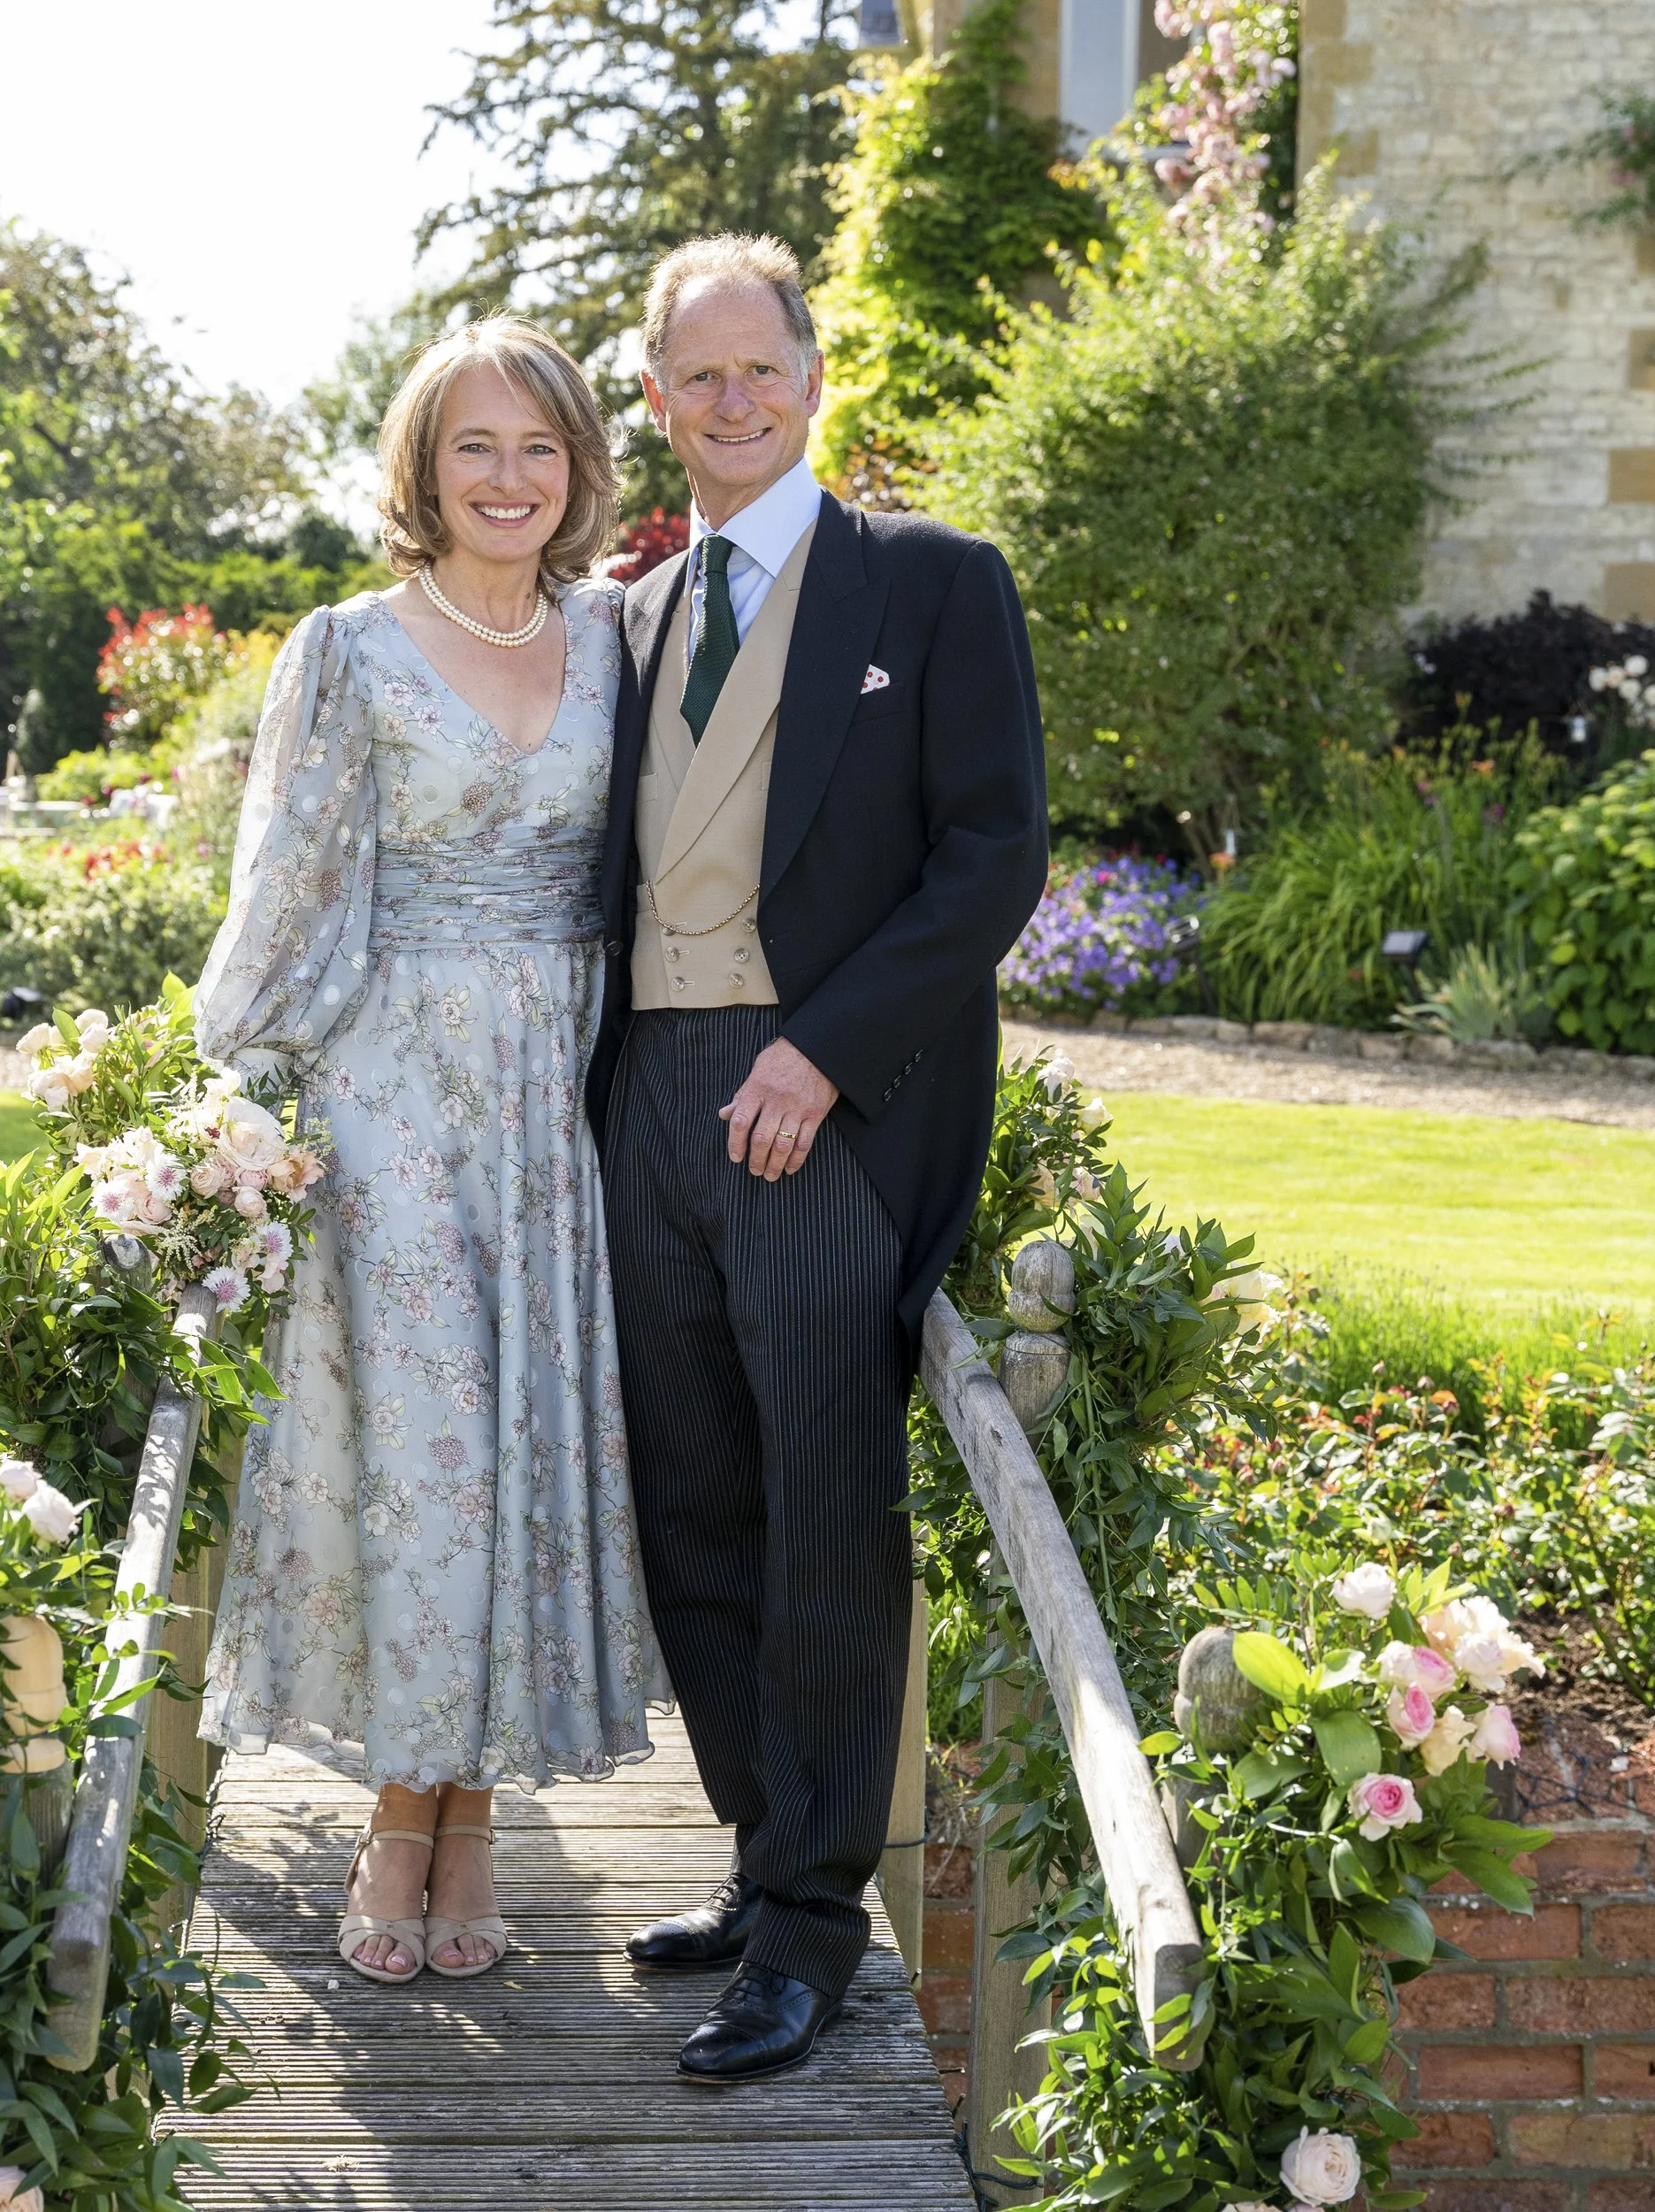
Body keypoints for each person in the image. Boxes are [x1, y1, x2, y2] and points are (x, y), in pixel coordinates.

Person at [588, 235, 1049, 2084]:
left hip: (817, 1100)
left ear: (808, 372)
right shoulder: (628, 611)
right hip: (645, 1101)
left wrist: (820, 1050)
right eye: (691, 377)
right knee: (691, 1498)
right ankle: (758, 1844)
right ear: (653, 398)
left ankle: (810, 1930)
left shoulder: (928, 584)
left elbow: (988, 857)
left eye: (754, 368)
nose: (728, 401)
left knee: (819, 1508)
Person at [190, 318, 662, 1987]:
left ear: (580, 467)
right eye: (478, 446)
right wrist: (226, 1107)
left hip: (564, 1105)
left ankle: (470, 1816)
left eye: (540, 448)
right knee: (425, 1465)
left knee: (524, 1447)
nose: (512, 479)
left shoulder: (623, 641)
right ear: (424, 466)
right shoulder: (349, 648)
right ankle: (405, 1820)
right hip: (393, 1098)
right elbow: (293, 882)